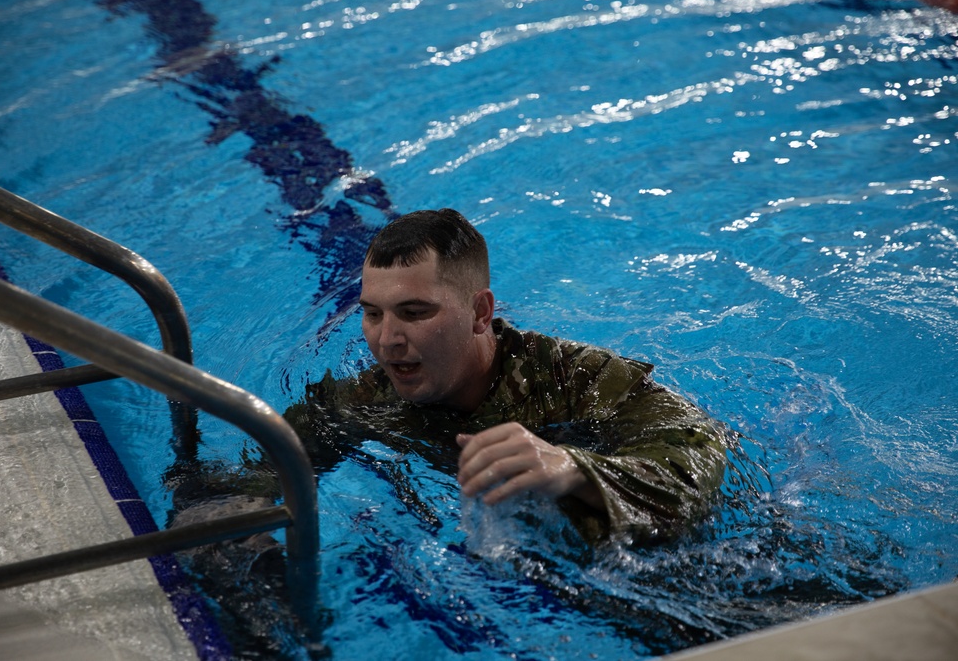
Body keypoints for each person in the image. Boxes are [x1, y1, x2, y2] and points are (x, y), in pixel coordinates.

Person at [283, 208, 731, 546]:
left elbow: (699, 448)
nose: (387, 340)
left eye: (414, 313)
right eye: (372, 314)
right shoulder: (370, 398)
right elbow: (271, 458)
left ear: (480, 313)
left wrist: (573, 468)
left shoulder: (575, 379)